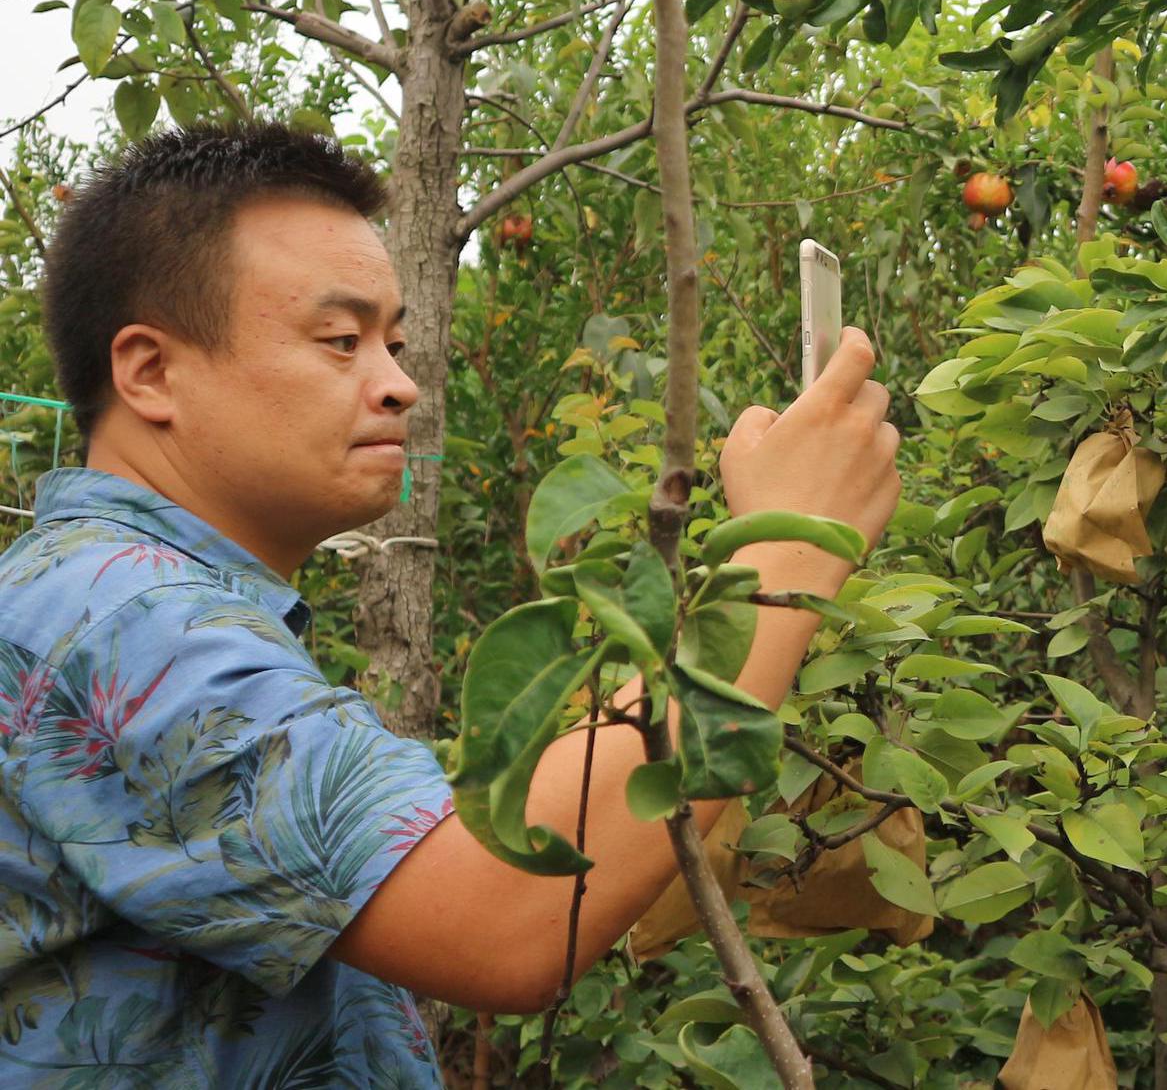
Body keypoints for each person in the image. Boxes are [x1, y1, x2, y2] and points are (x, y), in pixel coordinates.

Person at [0, 124, 901, 1085]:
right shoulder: (120, 617)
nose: (398, 384)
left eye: (392, 342)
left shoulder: (127, 601)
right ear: (149, 371)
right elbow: (503, 908)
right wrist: (789, 549)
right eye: (340, 341)